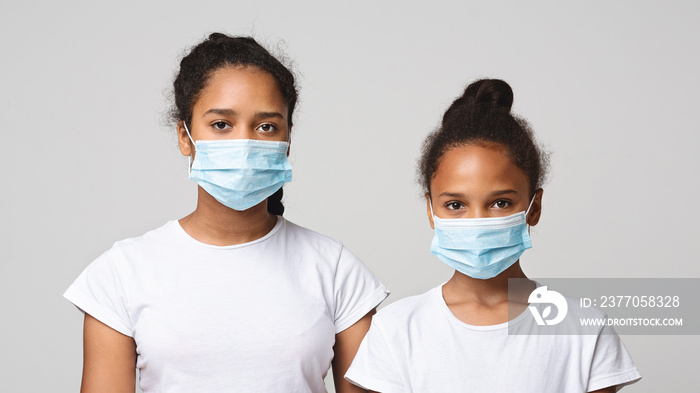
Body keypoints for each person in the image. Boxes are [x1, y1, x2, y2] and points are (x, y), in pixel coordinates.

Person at [64, 33, 388, 393]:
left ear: (288, 138)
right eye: (221, 124)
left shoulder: (336, 270)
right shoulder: (122, 273)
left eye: (266, 126)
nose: (244, 143)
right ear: (185, 137)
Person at [345, 79, 641, 392]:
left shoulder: (584, 331)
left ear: (534, 207)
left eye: (500, 203)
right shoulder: (396, 331)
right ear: (431, 211)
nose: (477, 222)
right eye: (456, 204)